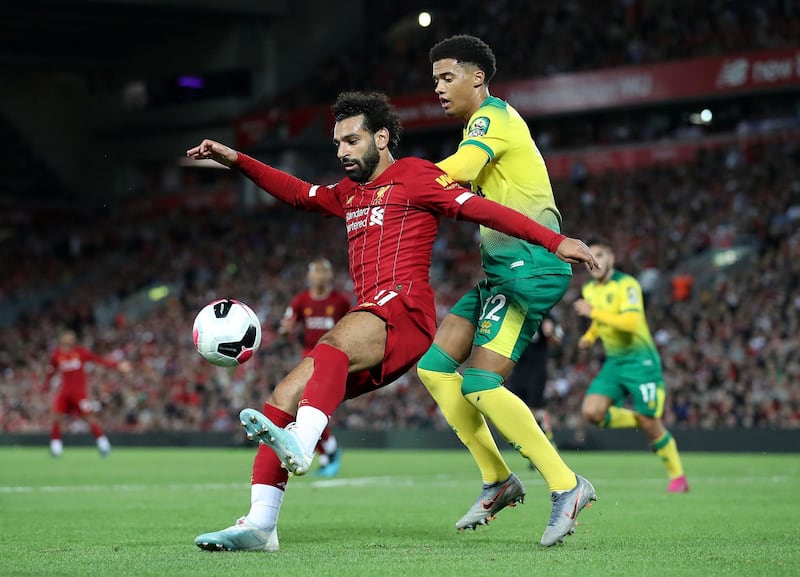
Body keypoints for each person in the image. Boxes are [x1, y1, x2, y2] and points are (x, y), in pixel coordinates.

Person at [186, 90, 598, 552]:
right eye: (338, 143)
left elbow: (483, 209)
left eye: (352, 140)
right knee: (283, 394)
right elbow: (299, 193)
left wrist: (552, 239)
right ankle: (261, 526)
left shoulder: (417, 176)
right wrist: (236, 159)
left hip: (404, 311)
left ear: (381, 138)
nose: (342, 151)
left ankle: (304, 444)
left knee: (335, 343)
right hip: (376, 320)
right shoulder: (349, 193)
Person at [414, 34, 596, 546]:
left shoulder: (490, 118)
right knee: (434, 367)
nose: (439, 89)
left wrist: (398, 180)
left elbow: (461, 171)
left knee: (479, 384)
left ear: (477, 77)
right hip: (502, 270)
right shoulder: (485, 122)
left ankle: (566, 486)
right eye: (434, 81)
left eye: (447, 78)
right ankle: (498, 480)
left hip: (530, 266)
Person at [573, 237, 689, 493]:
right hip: (615, 362)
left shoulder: (628, 285)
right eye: (590, 257)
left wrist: (592, 314)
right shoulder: (590, 290)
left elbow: (630, 323)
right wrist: (590, 337)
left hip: (640, 361)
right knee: (592, 412)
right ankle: (643, 418)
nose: (595, 262)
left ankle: (678, 477)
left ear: (611, 259)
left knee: (651, 425)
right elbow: (601, 321)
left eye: (600, 255)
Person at [279, 258, 352, 476]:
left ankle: (328, 451)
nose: (320, 276)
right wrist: (286, 330)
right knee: (302, 408)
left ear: (330, 276)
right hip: (308, 359)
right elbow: (286, 326)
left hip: (333, 358)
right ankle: (328, 452)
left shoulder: (340, 302)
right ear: (309, 276)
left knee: (312, 407)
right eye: (316, 272)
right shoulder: (300, 301)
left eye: (324, 272)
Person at [43, 329, 131, 457]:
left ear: (74, 340)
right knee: (57, 417)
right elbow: (50, 370)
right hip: (64, 393)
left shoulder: (81, 352)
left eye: (70, 338)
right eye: (66, 338)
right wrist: (45, 385)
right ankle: (56, 447)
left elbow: (98, 360)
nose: (68, 340)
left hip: (79, 394)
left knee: (89, 418)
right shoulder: (57, 355)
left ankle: (104, 444)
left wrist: (116, 365)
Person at [505, 315, 563, 449]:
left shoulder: (545, 316)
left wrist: (550, 333)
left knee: (534, 410)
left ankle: (545, 443)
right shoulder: (516, 315)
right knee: (516, 409)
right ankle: (535, 444)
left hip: (536, 372)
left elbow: (558, 343)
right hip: (518, 370)